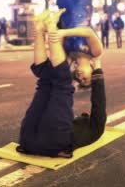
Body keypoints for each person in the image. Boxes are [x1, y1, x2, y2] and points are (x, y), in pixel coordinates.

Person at [18, 9, 106, 158]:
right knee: (46, 80)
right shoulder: (96, 126)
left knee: (60, 82)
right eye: (85, 79)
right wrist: (97, 68)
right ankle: (39, 29)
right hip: (27, 140)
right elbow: (99, 103)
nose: (79, 77)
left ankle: (44, 28)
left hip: (54, 142)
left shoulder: (94, 130)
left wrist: (53, 30)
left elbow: (98, 102)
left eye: (80, 80)